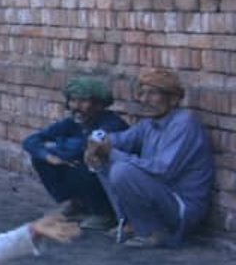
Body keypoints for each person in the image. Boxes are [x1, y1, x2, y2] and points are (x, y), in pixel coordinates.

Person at [86, 68, 216, 247]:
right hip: (162, 195)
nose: (144, 100)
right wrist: (97, 143)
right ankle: (133, 224)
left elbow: (163, 170)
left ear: (173, 99)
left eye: (153, 94)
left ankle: (156, 232)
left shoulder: (184, 123)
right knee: (101, 158)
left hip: (182, 206)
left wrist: (112, 152)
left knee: (122, 170)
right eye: (142, 93)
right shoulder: (149, 123)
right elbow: (119, 140)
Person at [23, 77, 130, 230]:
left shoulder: (111, 123)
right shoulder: (72, 122)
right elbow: (31, 141)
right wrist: (49, 157)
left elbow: (82, 148)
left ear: (98, 104)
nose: (76, 106)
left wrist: (60, 148)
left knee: (82, 163)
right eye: (73, 101)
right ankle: (77, 205)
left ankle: (103, 213)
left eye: (83, 101)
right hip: (77, 164)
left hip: (109, 180)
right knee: (42, 158)